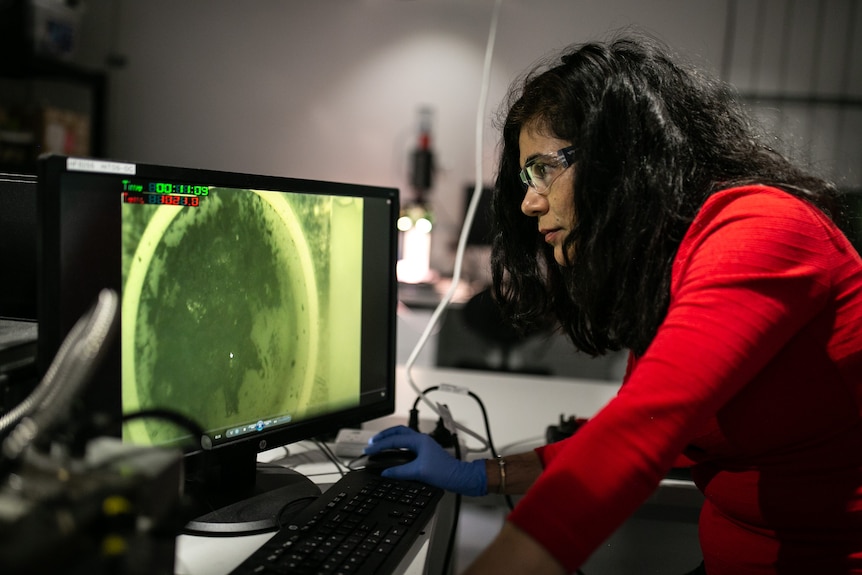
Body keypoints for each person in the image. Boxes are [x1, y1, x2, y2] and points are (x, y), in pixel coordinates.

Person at [365, 34, 862, 574]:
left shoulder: (765, 230)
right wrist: (483, 475)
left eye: (540, 170)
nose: (530, 202)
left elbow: (638, 434)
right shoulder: (673, 268)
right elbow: (632, 431)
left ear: (617, 156)